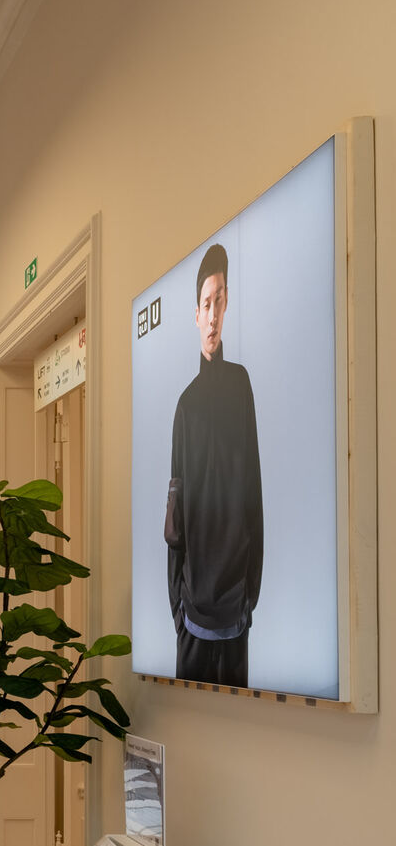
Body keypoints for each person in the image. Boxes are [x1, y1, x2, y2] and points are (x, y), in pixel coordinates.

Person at [165, 242, 263, 687]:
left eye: (220, 300)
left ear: (227, 304)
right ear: (196, 313)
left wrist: (251, 592)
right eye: (206, 303)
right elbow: (175, 518)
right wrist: (177, 609)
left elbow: (253, 492)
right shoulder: (186, 405)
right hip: (194, 615)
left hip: (235, 611)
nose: (213, 314)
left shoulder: (241, 384)